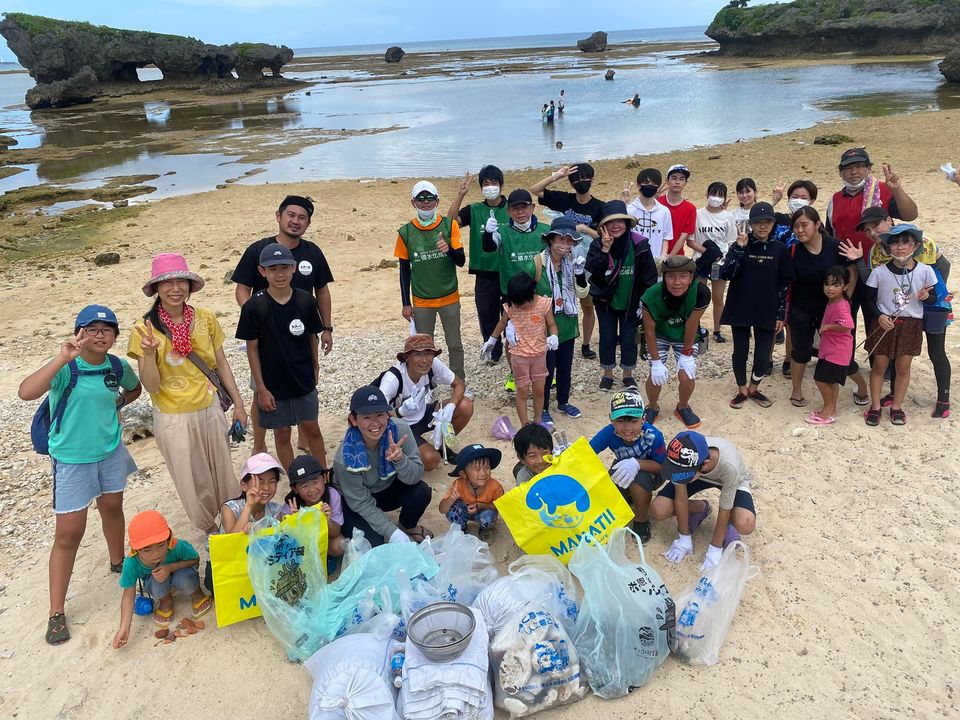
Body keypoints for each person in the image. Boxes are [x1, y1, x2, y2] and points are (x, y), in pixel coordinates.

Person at [19, 305, 142, 645]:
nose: (100, 335)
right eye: (92, 328)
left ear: (116, 336)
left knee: (113, 509)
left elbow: (134, 390)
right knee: (69, 533)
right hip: (72, 459)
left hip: (110, 452)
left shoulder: (117, 366)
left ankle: (119, 564)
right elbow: (26, 391)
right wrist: (61, 357)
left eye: (108, 329)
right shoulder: (66, 368)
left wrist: (116, 405)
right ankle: (56, 611)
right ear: (79, 333)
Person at [129, 254, 246, 535]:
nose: (175, 288)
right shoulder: (143, 328)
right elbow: (152, 386)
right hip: (172, 417)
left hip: (209, 408)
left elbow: (221, 363)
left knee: (222, 472)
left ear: (190, 285)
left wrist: (240, 404)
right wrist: (147, 353)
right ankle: (210, 530)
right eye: (166, 282)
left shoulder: (205, 318)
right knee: (192, 481)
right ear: (156, 288)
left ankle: (231, 524)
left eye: (181, 281)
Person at [232, 195, 334, 456]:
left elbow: (321, 291)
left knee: (303, 384)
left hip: (302, 330)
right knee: (261, 389)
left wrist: (327, 328)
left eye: (302, 217)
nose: (295, 221)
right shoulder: (259, 250)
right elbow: (242, 289)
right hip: (266, 335)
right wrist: (256, 316)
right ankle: (258, 443)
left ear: (308, 223)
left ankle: (304, 437)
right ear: (279, 216)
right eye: (291, 215)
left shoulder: (313, 252)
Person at [235, 243, 326, 473]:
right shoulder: (254, 306)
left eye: (285, 267)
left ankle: (323, 475)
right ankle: (297, 480)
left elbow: (311, 337)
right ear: (262, 271)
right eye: (273, 269)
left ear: (294, 268)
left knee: (312, 428)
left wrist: (315, 366)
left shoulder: (306, 300)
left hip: (302, 377)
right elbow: (252, 348)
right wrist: (262, 389)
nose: (280, 274)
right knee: (282, 432)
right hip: (273, 383)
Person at [855, 207, 952, 418]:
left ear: (889, 220)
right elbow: (874, 286)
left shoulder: (925, 242)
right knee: (888, 359)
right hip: (896, 307)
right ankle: (889, 398)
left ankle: (943, 399)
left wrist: (931, 294)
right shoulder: (877, 250)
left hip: (928, 302)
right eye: (867, 230)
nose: (872, 233)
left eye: (876, 226)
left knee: (935, 352)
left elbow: (944, 265)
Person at [825, 148, 918, 331]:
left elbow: (910, 215)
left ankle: (878, 360)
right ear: (841, 171)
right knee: (844, 319)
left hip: (880, 268)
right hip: (847, 271)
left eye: (860, 166)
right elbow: (830, 235)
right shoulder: (835, 199)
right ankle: (845, 360)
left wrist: (897, 190)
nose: (854, 172)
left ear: (868, 168)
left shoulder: (883, 190)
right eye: (848, 167)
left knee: (876, 320)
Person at [785, 208, 867, 409]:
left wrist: (845, 299)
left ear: (818, 225)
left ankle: (862, 386)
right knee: (800, 351)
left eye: (804, 225)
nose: (800, 230)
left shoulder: (836, 246)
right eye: (796, 226)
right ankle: (796, 390)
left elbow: (851, 270)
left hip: (830, 309)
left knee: (839, 353)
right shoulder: (793, 250)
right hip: (801, 307)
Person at [334, 386, 431, 547]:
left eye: (380, 415)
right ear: (353, 420)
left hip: (386, 488)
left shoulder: (400, 430)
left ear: (388, 415)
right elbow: (360, 502)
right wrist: (391, 532)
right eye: (366, 417)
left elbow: (415, 476)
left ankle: (407, 526)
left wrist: (400, 460)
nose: (375, 423)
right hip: (355, 500)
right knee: (374, 543)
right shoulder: (345, 458)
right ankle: (392, 531)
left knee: (421, 492)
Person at [720, 202, 795, 409]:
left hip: (767, 309)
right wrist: (739, 250)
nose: (762, 227)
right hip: (741, 307)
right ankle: (742, 390)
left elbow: (784, 283)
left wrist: (781, 313)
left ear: (772, 224)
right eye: (757, 223)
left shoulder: (780, 249)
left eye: (767, 222)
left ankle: (754, 387)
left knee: (763, 357)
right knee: (740, 352)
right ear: (750, 223)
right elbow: (727, 274)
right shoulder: (740, 245)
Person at [862, 224, 937, 426]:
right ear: (888, 247)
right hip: (885, 323)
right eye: (894, 243)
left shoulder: (925, 271)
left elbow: (933, 298)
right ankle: (875, 406)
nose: (900, 247)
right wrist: (879, 316)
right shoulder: (879, 272)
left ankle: (896, 407)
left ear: (915, 245)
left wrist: (926, 295)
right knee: (879, 366)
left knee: (903, 368)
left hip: (911, 325)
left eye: (906, 242)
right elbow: (868, 299)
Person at [530, 164, 605, 359]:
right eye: (577, 179)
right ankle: (558, 337)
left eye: (585, 178)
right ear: (571, 183)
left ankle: (586, 343)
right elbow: (535, 190)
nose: (582, 182)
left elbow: (603, 237)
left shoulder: (599, 207)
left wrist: (584, 229)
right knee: (557, 301)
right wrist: (557, 175)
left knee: (588, 305)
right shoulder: (564, 199)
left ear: (592, 180)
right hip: (559, 261)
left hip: (585, 264)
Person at [654, 431, 757, 571]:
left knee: (746, 523)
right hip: (696, 474)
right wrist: (684, 538)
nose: (677, 477)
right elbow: (681, 498)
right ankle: (701, 508)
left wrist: (715, 549)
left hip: (730, 480)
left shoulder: (729, 467)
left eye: (681, 475)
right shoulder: (682, 459)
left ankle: (729, 527)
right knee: (659, 509)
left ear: (705, 464)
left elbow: (724, 510)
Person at [396, 180, 466, 380]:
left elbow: (460, 261)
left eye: (429, 198)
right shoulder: (405, 232)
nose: (425, 203)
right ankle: (426, 384)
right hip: (422, 300)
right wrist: (405, 303)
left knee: (454, 343)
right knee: (423, 348)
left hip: (449, 297)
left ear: (437, 201)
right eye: (421, 199)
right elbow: (404, 270)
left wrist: (449, 250)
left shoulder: (449, 225)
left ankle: (458, 382)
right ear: (413, 202)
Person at [585, 200, 658, 391]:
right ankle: (607, 374)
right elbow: (592, 273)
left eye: (620, 221)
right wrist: (605, 249)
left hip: (631, 302)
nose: (616, 226)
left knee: (628, 339)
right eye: (610, 222)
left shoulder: (639, 244)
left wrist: (645, 304)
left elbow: (649, 277)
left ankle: (628, 375)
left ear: (627, 223)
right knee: (607, 337)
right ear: (604, 226)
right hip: (605, 301)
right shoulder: (597, 245)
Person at [376, 333, 474, 471]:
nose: (424, 360)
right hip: (400, 424)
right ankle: (402, 456)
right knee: (431, 460)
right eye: (417, 354)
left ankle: (441, 445)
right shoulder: (393, 378)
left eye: (429, 354)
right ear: (407, 357)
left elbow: (459, 384)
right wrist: (400, 412)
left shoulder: (433, 365)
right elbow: (379, 410)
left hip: (423, 415)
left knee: (465, 405)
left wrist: (451, 406)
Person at [112, 511, 208, 649]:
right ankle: (166, 602)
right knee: (157, 580)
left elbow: (195, 559)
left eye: (161, 545)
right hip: (157, 583)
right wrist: (124, 628)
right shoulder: (131, 563)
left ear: (168, 538)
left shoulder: (176, 546)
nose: (156, 553)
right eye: (147, 549)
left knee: (184, 577)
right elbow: (128, 594)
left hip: (181, 575)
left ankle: (197, 595)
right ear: (135, 548)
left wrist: (171, 567)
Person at [482, 188, 546, 389]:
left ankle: (544, 372)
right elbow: (489, 247)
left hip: (539, 292)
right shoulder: (503, 232)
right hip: (512, 294)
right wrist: (488, 233)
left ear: (532, 208)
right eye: (515, 209)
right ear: (509, 212)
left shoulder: (545, 230)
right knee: (512, 337)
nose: (520, 212)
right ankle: (514, 373)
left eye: (524, 207)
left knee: (541, 333)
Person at [447, 166, 510, 364]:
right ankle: (492, 347)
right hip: (484, 271)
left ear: (501, 184)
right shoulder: (475, 210)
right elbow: (450, 221)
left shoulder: (511, 208)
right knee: (486, 312)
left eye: (494, 183)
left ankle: (513, 346)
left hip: (509, 270)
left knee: (511, 311)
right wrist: (460, 194)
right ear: (481, 187)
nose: (490, 187)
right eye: (486, 184)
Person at [641, 255, 710, 429]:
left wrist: (687, 354)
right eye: (671, 276)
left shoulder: (701, 292)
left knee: (686, 374)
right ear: (664, 278)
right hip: (659, 334)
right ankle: (652, 406)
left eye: (683, 276)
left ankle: (683, 406)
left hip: (685, 335)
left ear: (691, 277)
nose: (677, 282)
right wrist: (656, 361)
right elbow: (649, 329)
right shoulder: (650, 295)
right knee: (655, 374)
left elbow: (692, 323)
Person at [589, 389, 667, 543]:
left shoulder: (653, 435)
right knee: (608, 485)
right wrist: (567, 454)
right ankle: (630, 498)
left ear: (643, 419)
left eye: (633, 421)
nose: (627, 428)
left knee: (639, 480)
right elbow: (587, 452)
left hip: (651, 472)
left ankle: (641, 520)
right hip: (624, 466)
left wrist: (637, 463)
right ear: (611, 420)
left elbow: (663, 467)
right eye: (620, 421)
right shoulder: (609, 433)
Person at [483, 273, 558, 427]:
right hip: (519, 355)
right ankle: (525, 425)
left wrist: (554, 336)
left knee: (539, 390)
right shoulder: (511, 306)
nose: (521, 306)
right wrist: (491, 340)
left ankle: (537, 422)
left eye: (524, 302)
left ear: (532, 293)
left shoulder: (543, 304)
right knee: (522, 392)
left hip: (539, 354)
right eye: (518, 303)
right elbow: (502, 322)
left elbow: (551, 324)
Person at [534, 216, 588, 422]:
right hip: (544, 327)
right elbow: (526, 294)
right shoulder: (538, 263)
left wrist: (580, 273)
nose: (565, 245)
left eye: (569, 240)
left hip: (567, 323)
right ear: (550, 240)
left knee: (565, 366)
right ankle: (544, 406)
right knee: (545, 369)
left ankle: (563, 402)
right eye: (560, 239)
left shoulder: (572, 263)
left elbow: (582, 294)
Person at [807, 266, 857, 425]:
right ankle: (831, 409)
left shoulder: (841, 305)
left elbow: (848, 325)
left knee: (820, 380)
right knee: (831, 382)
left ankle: (827, 410)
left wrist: (828, 327)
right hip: (833, 349)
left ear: (845, 287)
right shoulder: (834, 302)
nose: (830, 288)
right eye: (827, 284)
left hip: (836, 351)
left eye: (836, 285)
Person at [688, 181, 736, 343]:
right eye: (713, 194)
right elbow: (690, 241)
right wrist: (708, 253)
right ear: (706, 195)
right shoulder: (697, 214)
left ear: (724, 198)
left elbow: (731, 242)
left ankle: (717, 330)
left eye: (720, 195)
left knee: (717, 298)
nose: (716, 198)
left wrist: (721, 257)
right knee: (699, 296)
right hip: (701, 260)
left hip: (720, 263)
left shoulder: (728, 216)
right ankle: (697, 328)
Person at [438, 443, 505, 542]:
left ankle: (485, 530)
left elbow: (502, 506)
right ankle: (462, 529)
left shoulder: (495, 486)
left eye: (487, 467)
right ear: (463, 473)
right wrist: (451, 498)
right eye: (477, 469)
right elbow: (442, 510)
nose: (483, 473)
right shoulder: (458, 485)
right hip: (464, 511)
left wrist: (481, 506)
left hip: (484, 511)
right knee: (451, 510)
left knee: (488, 518)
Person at [285, 455, 346, 558]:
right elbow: (285, 537)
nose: (312, 490)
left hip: (325, 538)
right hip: (304, 544)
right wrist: (294, 521)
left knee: (339, 545)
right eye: (304, 486)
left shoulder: (331, 495)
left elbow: (335, 533)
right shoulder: (292, 504)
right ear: (295, 489)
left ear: (325, 478)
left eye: (315, 482)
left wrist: (328, 520)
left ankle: (326, 557)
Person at [219, 452, 291, 533]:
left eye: (272, 481)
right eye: (260, 482)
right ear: (244, 485)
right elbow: (231, 542)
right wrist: (249, 505)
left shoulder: (276, 511)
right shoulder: (230, 509)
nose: (266, 487)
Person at [624, 168, 674, 261]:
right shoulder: (629, 209)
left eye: (654, 184)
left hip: (655, 261)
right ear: (639, 186)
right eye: (646, 183)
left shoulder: (664, 211)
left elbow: (665, 238)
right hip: (633, 260)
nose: (650, 186)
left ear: (658, 187)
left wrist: (662, 257)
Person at [658, 164, 697, 257]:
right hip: (655, 252)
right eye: (674, 178)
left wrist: (670, 256)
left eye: (681, 179)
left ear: (685, 182)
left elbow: (683, 237)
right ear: (667, 181)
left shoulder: (690, 208)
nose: (677, 182)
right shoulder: (658, 202)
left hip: (677, 255)